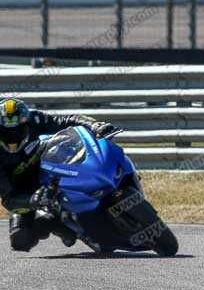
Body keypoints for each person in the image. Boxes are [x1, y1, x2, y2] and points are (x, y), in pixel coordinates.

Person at [0, 98, 118, 252]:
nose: (12, 135)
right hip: (25, 190)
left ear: (25, 122)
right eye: (6, 131)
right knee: (20, 240)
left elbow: (66, 120)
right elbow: (9, 199)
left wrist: (94, 125)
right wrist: (33, 200)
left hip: (52, 170)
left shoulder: (35, 118)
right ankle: (62, 226)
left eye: (17, 129)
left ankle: (112, 185)